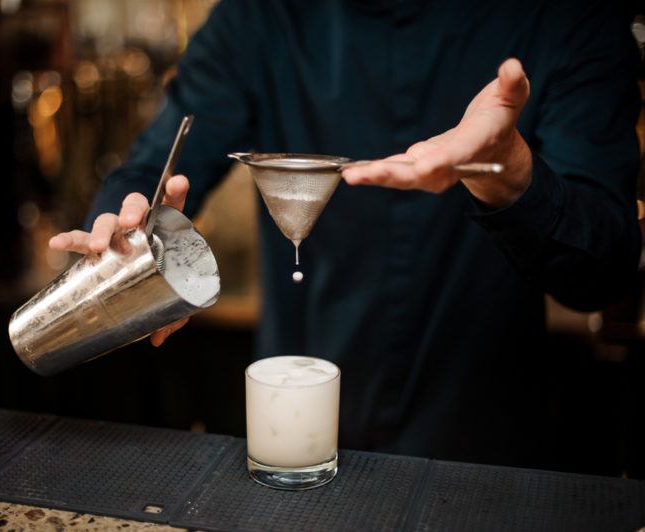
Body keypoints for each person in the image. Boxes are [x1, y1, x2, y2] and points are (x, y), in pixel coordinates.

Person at [50, 0, 642, 468]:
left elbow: (605, 266)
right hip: (295, 445)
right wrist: (128, 225)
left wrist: (513, 177)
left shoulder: (566, 14)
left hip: (481, 457)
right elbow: (157, 165)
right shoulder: (265, 15)